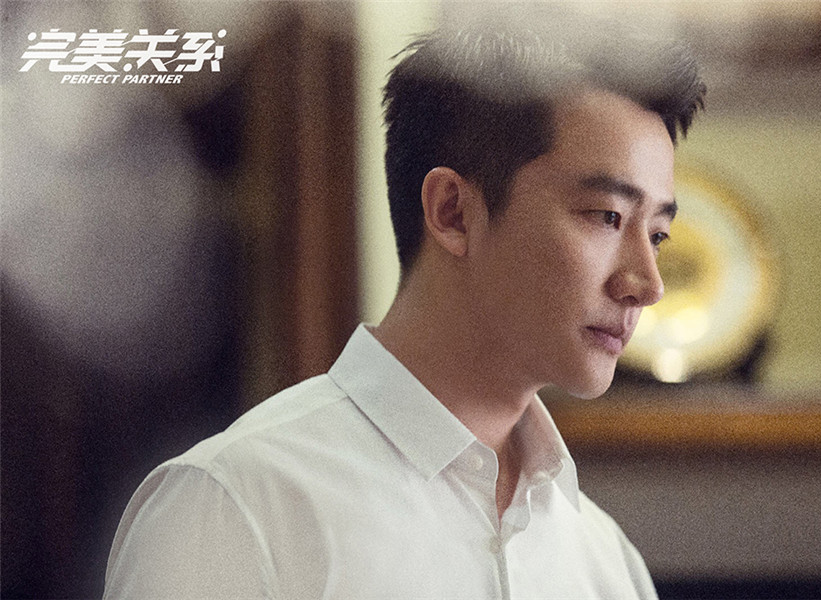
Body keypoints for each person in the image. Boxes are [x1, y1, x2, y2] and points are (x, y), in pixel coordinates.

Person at [104, 7, 705, 599]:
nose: (649, 284)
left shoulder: (606, 562)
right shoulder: (237, 508)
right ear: (452, 211)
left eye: (657, 235)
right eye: (607, 217)